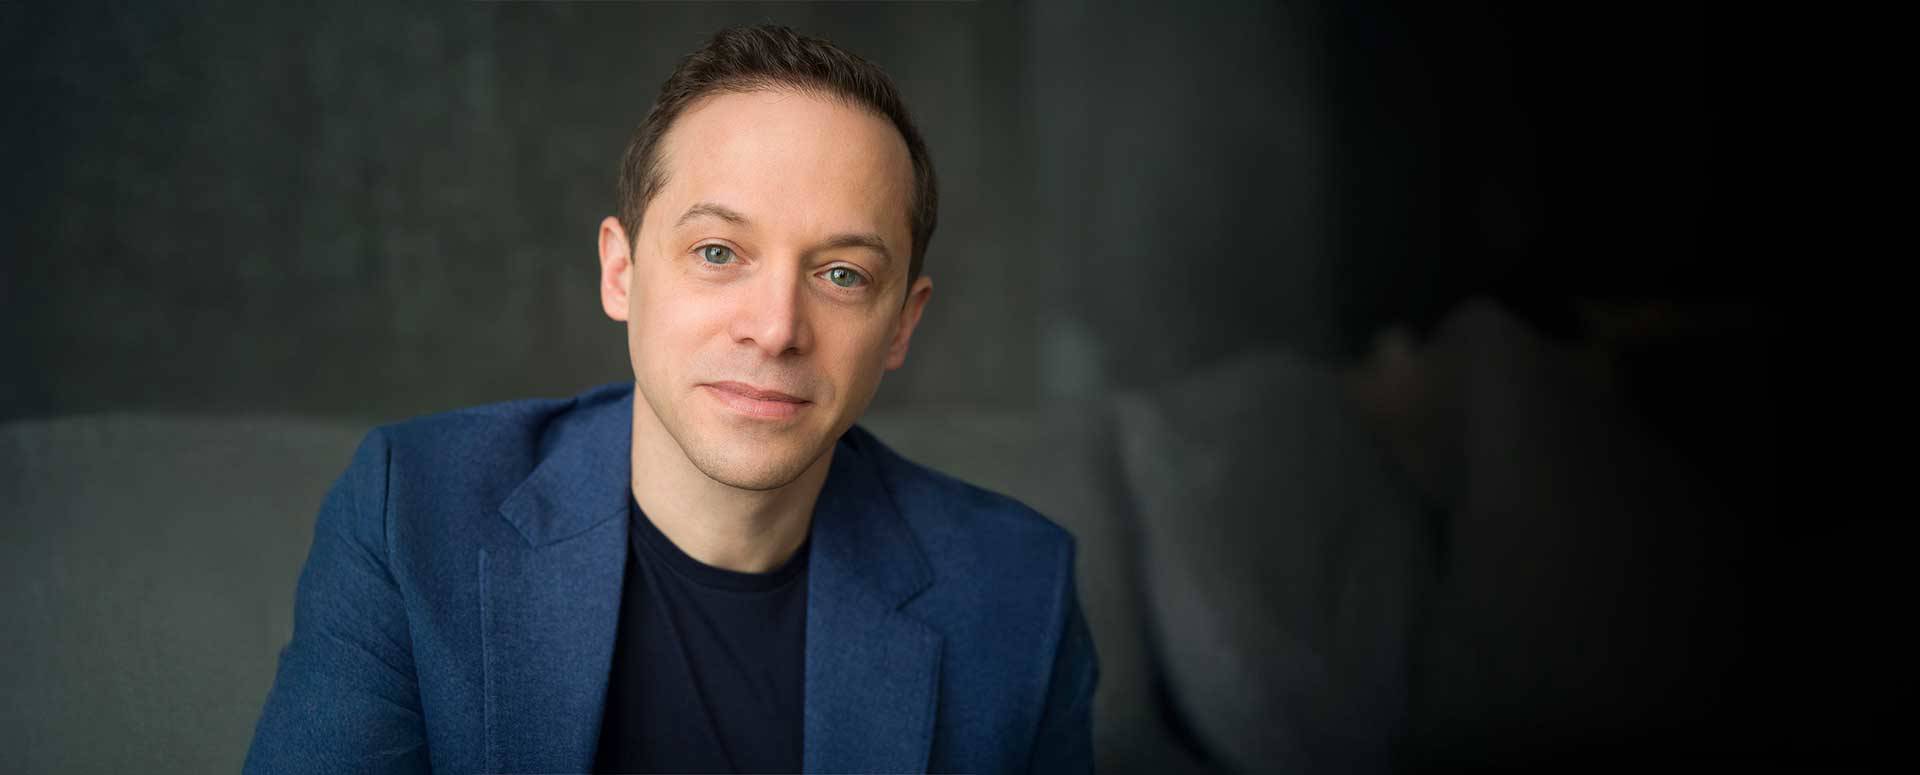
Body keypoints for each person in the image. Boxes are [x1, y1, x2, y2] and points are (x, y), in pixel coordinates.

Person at [243, 24, 1096, 775]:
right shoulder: (411, 513)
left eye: (842, 274)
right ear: (621, 272)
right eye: (718, 252)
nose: (775, 328)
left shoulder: (1020, 593)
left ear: (902, 324)